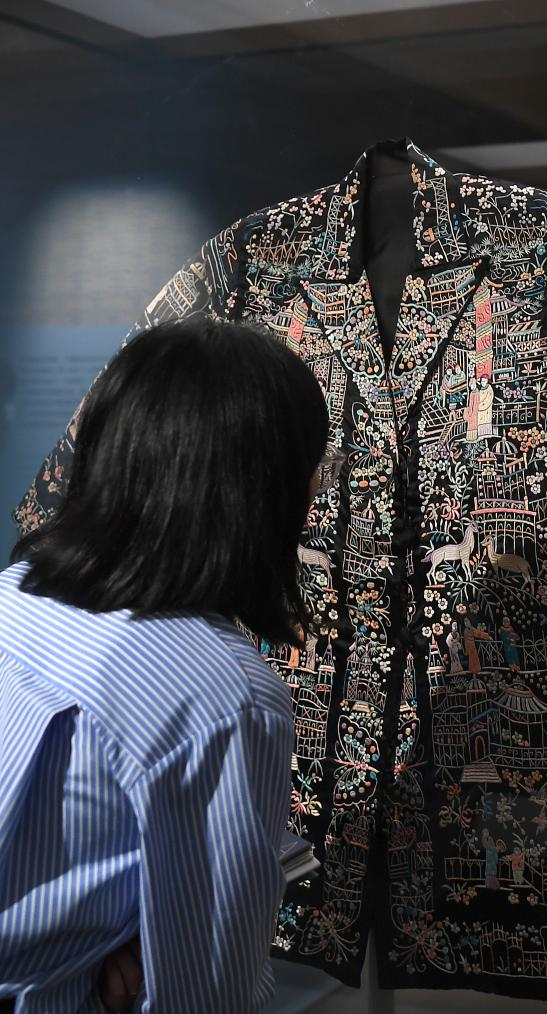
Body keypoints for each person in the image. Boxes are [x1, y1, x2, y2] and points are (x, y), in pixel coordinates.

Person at [0, 318, 339, 1013]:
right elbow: (206, 992)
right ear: (266, 492)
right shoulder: (223, 695)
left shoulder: (13, 594)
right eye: (314, 468)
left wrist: (100, 936)